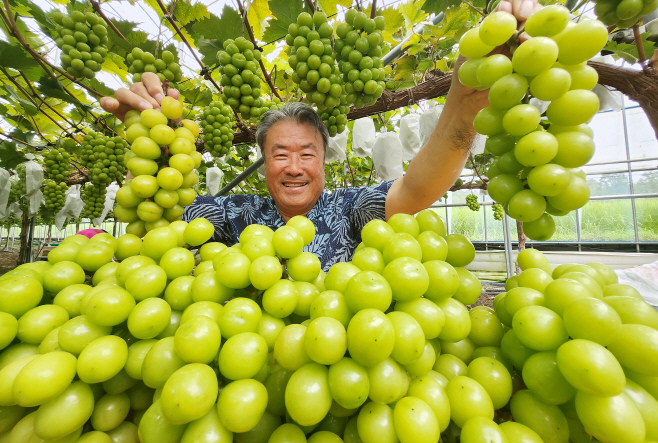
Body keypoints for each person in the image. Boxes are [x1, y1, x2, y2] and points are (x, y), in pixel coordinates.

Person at [100, 0, 538, 270]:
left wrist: (462, 107)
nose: (293, 166)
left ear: (323, 159)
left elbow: (419, 186)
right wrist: (156, 147)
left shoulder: (350, 208)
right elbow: (162, 223)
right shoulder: (231, 213)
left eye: (306, 153)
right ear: (264, 162)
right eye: (279, 154)